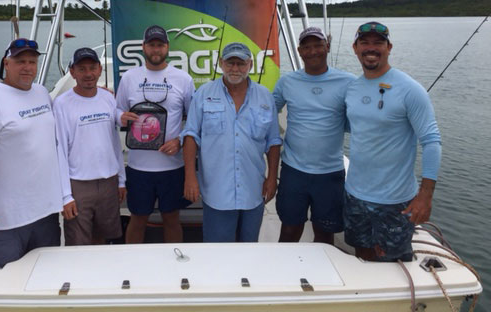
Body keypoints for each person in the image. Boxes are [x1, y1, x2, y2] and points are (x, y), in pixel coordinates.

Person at [0, 38, 64, 270]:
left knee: (46, 274)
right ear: (6, 64)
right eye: (20, 61)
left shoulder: (41, 92)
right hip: (5, 219)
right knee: (2, 281)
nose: (27, 67)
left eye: (32, 61)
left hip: (45, 212)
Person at [344, 22, 442, 261]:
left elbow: (431, 141)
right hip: (354, 194)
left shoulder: (410, 89)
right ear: (355, 48)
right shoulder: (352, 88)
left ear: (389, 47)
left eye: (378, 42)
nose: (371, 48)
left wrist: (425, 196)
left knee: (393, 262)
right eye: (365, 42)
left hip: (395, 202)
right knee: (362, 256)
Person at [182, 42, 282, 242]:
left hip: (253, 189)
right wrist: (190, 177)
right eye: (230, 63)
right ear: (221, 63)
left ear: (250, 65)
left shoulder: (265, 96)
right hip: (217, 191)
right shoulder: (203, 93)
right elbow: (191, 136)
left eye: (240, 63)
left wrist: (272, 178)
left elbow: (273, 142)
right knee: (217, 250)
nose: (235, 69)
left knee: (249, 246)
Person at [272, 27, 355, 244]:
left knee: (325, 234)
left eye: (318, 45)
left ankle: (322, 277)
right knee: (289, 230)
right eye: (307, 47)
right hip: (293, 171)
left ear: (327, 46)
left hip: (330, 174)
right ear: (299, 51)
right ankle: (284, 275)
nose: (313, 51)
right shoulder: (287, 82)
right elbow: (267, 111)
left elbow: (366, 115)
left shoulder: (349, 82)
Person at [116, 25, 195, 243]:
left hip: (172, 166)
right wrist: (121, 117)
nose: (156, 49)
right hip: (138, 167)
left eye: (160, 45)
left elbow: (195, 121)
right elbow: (117, 110)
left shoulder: (183, 79)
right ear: (143, 47)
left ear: (167, 47)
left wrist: (179, 141)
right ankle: (133, 265)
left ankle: (174, 267)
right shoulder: (129, 77)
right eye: (151, 45)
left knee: (171, 218)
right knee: (138, 218)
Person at [53, 47, 126, 245]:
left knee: (103, 238)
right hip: (78, 184)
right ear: (72, 72)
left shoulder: (108, 98)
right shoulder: (61, 104)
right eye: (82, 69)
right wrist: (65, 195)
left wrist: (121, 180)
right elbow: (59, 151)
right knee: (78, 242)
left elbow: (113, 142)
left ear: (100, 69)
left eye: (92, 68)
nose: (88, 74)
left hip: (109, 181)